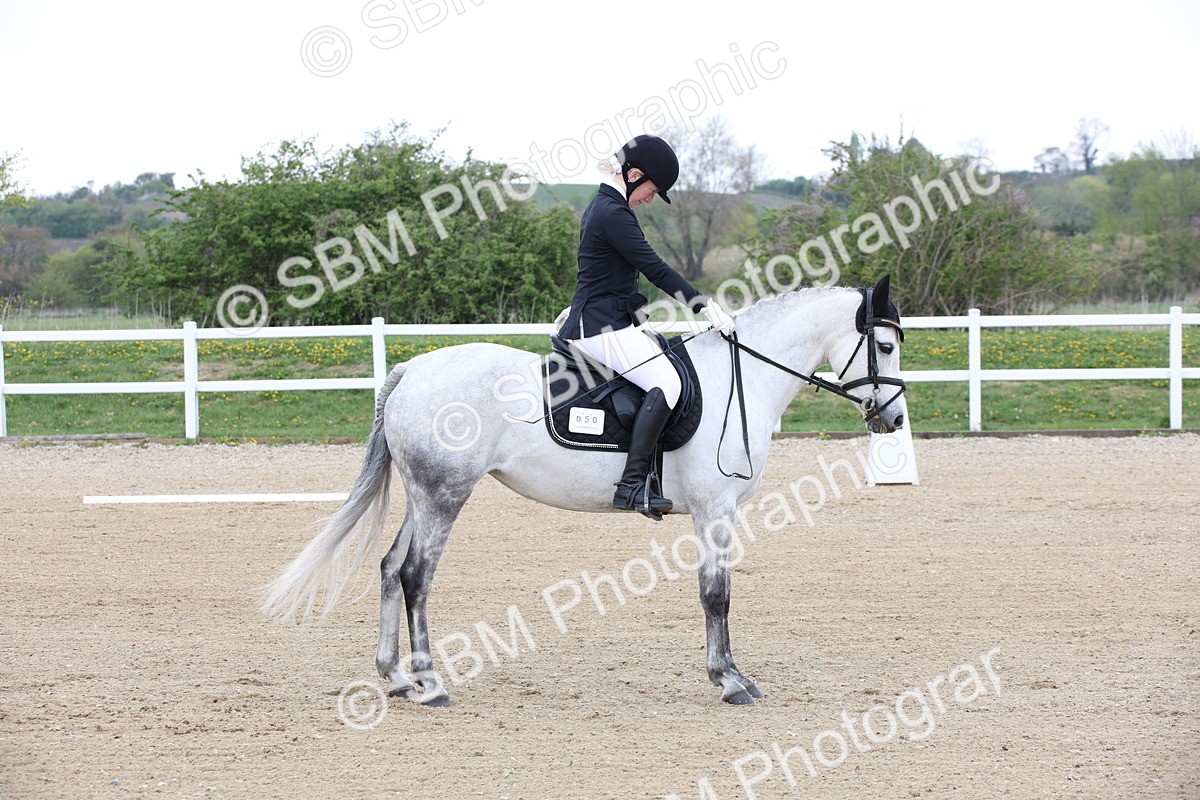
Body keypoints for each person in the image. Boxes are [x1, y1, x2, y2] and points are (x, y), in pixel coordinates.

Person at [558, 134, 736, 517]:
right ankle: (632, 484)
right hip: (601, 328)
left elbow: (601, 274)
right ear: (634, 174)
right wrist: (703, 307)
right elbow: (655, 268)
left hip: (606, 320)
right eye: (652, 191)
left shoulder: (604, 206)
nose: (650, 199)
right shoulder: (614, 213)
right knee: (667, 383)